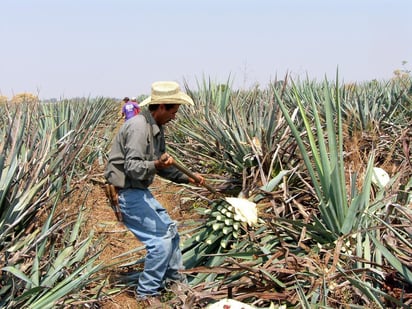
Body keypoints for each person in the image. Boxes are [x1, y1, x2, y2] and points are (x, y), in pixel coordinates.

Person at [105, 81, 205, 307]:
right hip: (128, 193)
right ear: (160, 106)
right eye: (173, 111)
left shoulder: (156, 129)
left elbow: (163, 165)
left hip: (139, 190)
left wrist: (188, 177)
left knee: (172, 231)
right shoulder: (139, 127)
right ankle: (147, 293)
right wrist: (156, 165)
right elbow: (133, 167)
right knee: (160, 242)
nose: (174, 116)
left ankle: (174, 281)